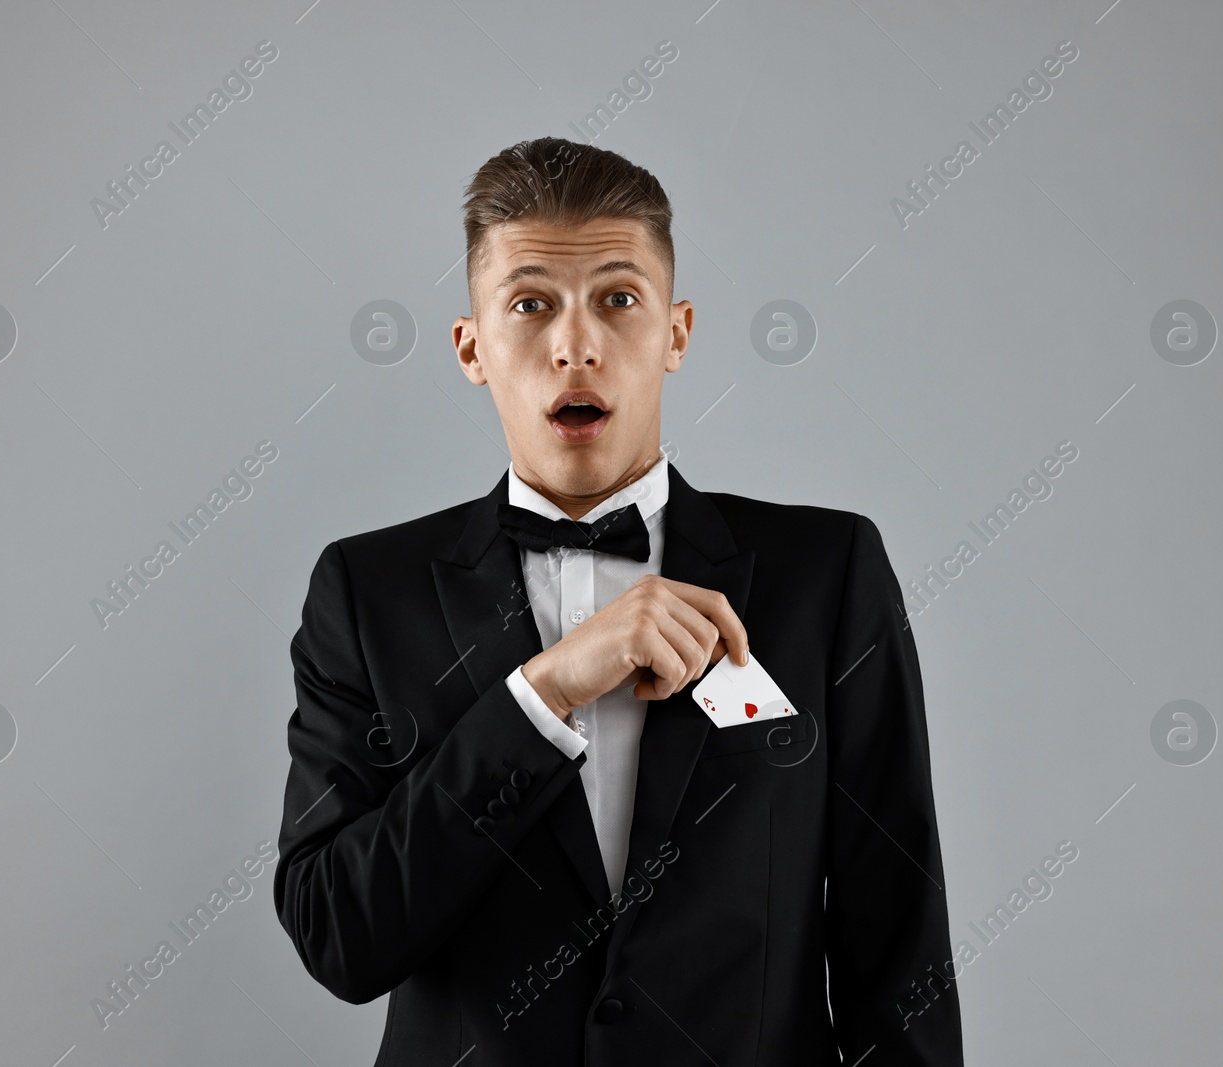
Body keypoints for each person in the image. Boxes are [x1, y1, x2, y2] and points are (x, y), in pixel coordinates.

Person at [273, 136, 964, 1065]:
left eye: (618, 298)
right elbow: (339, 936)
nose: (576, 344)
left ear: (676, 332)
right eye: (530, 304)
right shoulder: (365, 593)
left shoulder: (827, 572)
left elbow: (898, 940)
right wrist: (542, 693)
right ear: (472, 347)